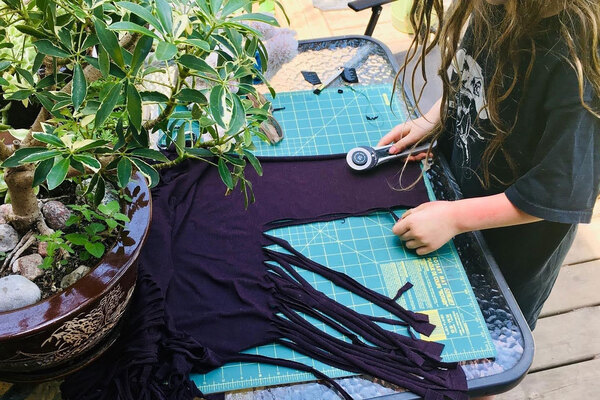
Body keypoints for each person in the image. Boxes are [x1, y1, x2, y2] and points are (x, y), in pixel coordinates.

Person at [380, 0, 599, 397]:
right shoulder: (498, 4)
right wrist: (434, 118)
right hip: (454, 209)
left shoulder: (580, 62)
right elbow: (467, 76)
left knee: (481, 370)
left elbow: (558, 189)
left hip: (509, 259)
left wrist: (456, 218)